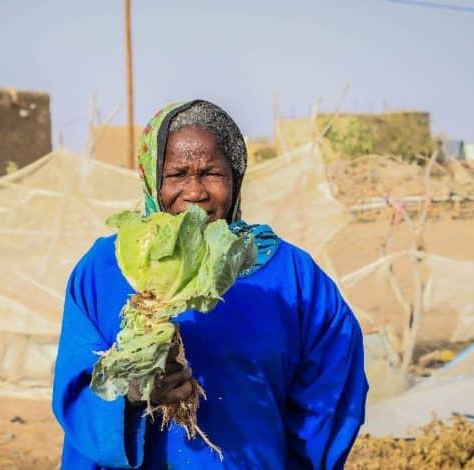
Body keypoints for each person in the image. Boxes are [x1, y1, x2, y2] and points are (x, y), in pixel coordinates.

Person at [53, 100, 368, 469]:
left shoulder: (293, 278)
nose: (195, 191)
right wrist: (133, 392)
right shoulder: (107, 267)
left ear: (236, 177)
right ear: (152, 179)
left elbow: (331, 393)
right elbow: (75, 386)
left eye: (211, 173)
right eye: (176, 174)